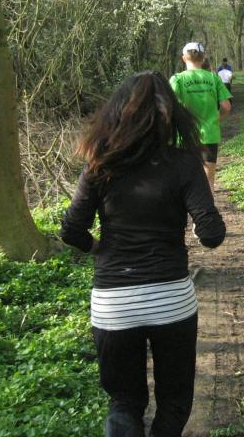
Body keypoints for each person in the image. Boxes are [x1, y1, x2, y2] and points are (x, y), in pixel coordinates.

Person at [60, 71, 226, 437]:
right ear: (172, 115)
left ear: (117, 113)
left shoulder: (100, 161)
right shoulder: (183, 162)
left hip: (113, 303)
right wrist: (196, 231)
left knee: (123, 402)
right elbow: (212, 234)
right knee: (174, 403)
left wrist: (98, 248)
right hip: (170, 300)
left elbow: (71, 229)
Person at [170, 42, 232, 192]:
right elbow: (226, 107)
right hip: (210, 134)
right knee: (208, 182)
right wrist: (216, 119)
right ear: (203, 58)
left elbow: (169, 107)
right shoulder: (213, 78)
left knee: (185, 181)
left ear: (184, 58)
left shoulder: (177, 79)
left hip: (185, 136)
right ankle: (209, 204)